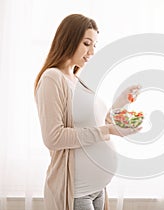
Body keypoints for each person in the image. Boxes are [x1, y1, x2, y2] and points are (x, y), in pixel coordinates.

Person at [34, 14, 142, 210]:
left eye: (95, 45)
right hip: (76, 192)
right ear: (68, 40)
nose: (92, 51)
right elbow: (53, 137)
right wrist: (107, 131)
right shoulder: (52, 78)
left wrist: (122, 101)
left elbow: (100, 122)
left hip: (98, 190)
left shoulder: (77, 80)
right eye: (86, 43)